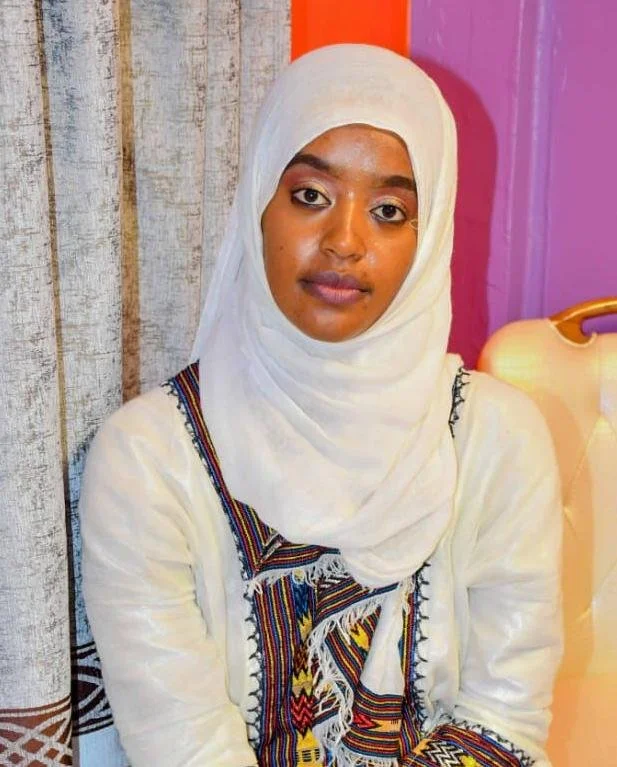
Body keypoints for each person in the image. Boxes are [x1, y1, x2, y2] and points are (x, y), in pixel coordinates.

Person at [80, 44, 562, 767]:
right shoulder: (147, 459)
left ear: (428, 239)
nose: (344, 242)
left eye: (389, 211)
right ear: (257, 205)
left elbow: (504, 720)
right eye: (310, 196)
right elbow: (181, 744)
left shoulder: (496, 440)